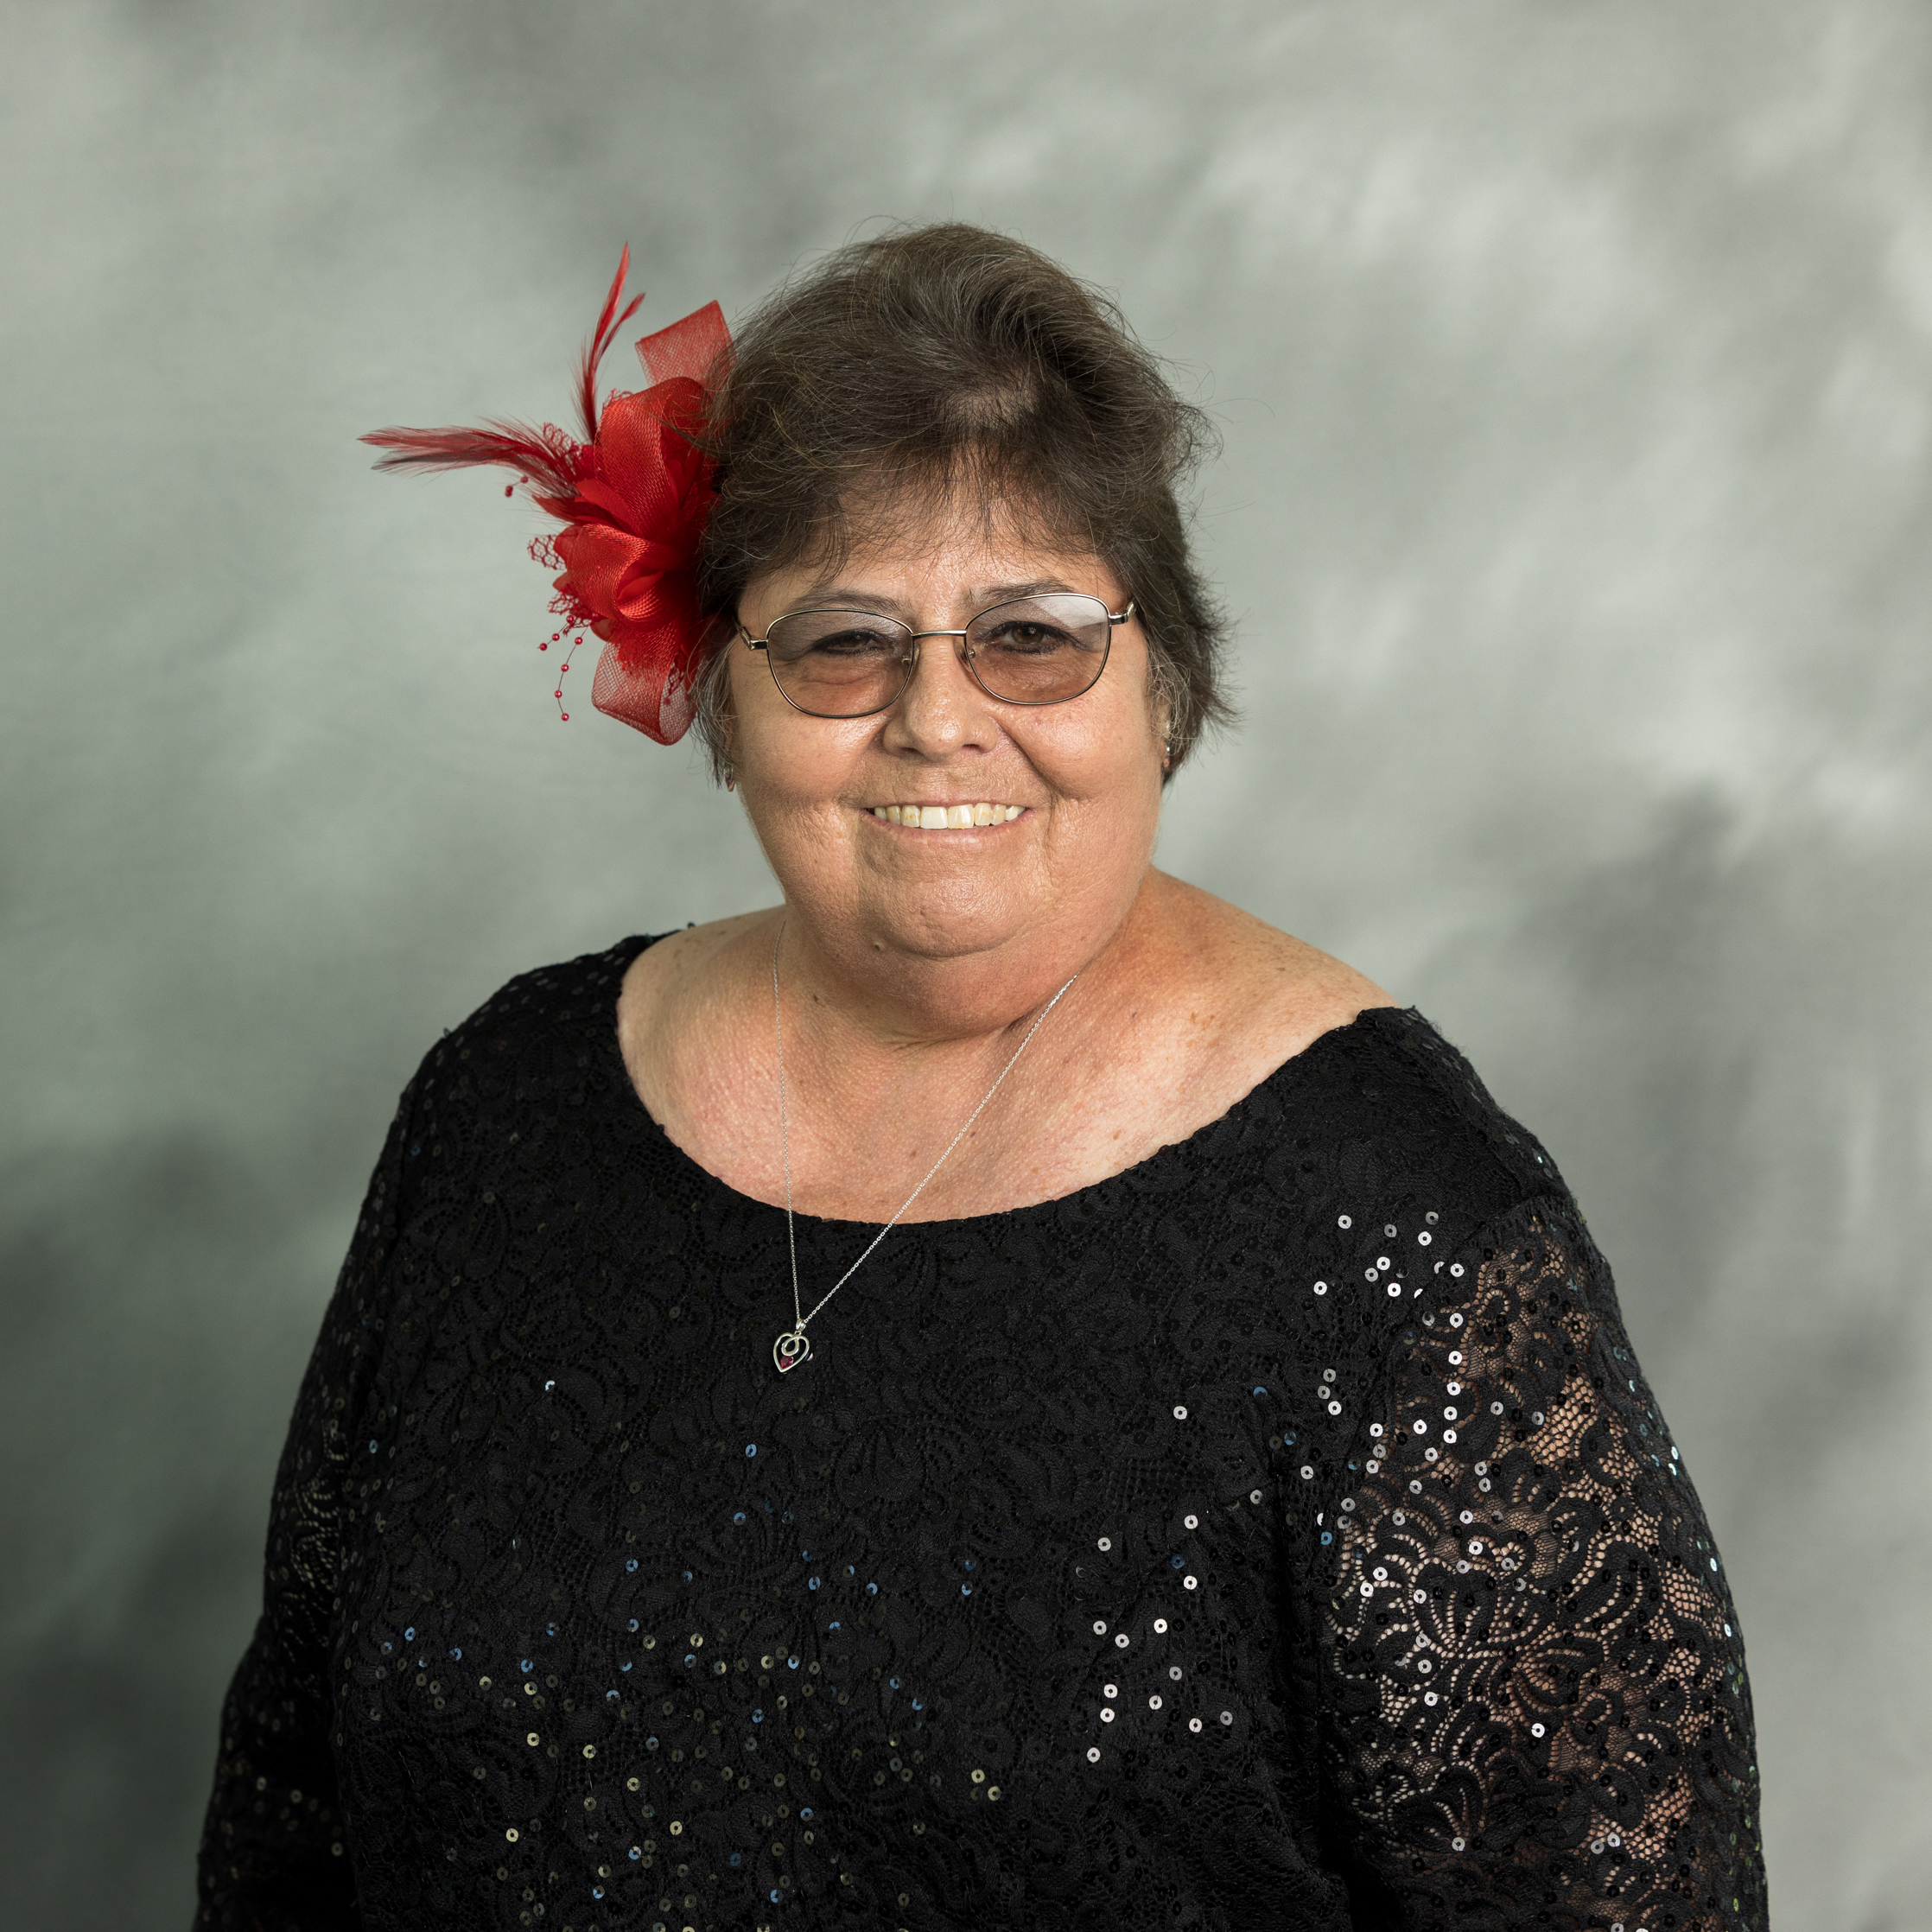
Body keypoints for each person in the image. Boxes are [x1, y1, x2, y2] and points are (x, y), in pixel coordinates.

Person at [196, 225, 1765, 1931]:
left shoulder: (1398, 1232)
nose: (935, 719)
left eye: (1029, 634)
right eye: (842, 640)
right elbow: (291, 1815)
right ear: (726, 690)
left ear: (1163, 681)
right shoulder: (502, 1109)